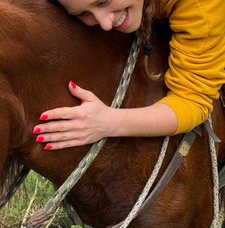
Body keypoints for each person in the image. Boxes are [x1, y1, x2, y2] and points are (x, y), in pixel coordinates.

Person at [33, 0, 225, 150]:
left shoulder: (201, 8)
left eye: (103, 1)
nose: (105, 23)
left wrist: (107, 122)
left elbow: (192, 101)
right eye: (83, 13)